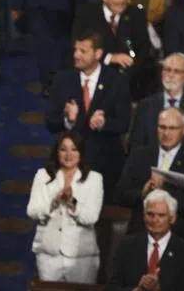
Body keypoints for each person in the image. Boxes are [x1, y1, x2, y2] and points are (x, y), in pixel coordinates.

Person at [45, 34, 131, 197]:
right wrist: (68, 121)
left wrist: (104, 123)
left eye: (83, 51)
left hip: (106, 163)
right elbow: (49, 122)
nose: (76, 55)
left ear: (98, 54)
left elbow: (124, 123)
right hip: (69, 164)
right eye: (75, 50)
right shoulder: (62, 79)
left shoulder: (117, 81)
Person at [118, 106, 184, 248]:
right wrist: (143, 193)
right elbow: (121, 194)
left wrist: (163, 190)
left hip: (179, 235)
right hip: (140, 233)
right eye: (162, 127)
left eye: (172, 128)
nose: (166, 133)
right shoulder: (139, 155)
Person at [26, 132, 104, 283]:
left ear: (81, 153)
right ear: (57, 152)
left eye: (74, 149)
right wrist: (52, 205)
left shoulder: (94, 179)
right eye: (63, 149)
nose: (69, 154)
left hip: (81, 258)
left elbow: (91, 217)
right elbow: (32, 210)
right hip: (48, 255)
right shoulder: (42, 176)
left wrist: (71, 202)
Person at [8, 0, 84, 93]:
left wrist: (16, 4)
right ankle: (58, 82)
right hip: (62, 1)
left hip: (38, 0)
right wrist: (81, 5)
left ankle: (49, 84)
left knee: (44, 45)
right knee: (60, 44)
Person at [72, 0, 155, 100]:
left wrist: (127, 74)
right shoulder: (86, 14)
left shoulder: (136, 14)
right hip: (95, 72)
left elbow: (144, 48)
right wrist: (109, 58)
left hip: (129, 77)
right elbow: (77, 47)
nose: (122, 0)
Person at [128, 54, 184, 159]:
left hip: (183, 170)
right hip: (149, 170)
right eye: (167, 70)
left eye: (176, 71)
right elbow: (135, 146)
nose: (170, 75)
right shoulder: (146, 105)